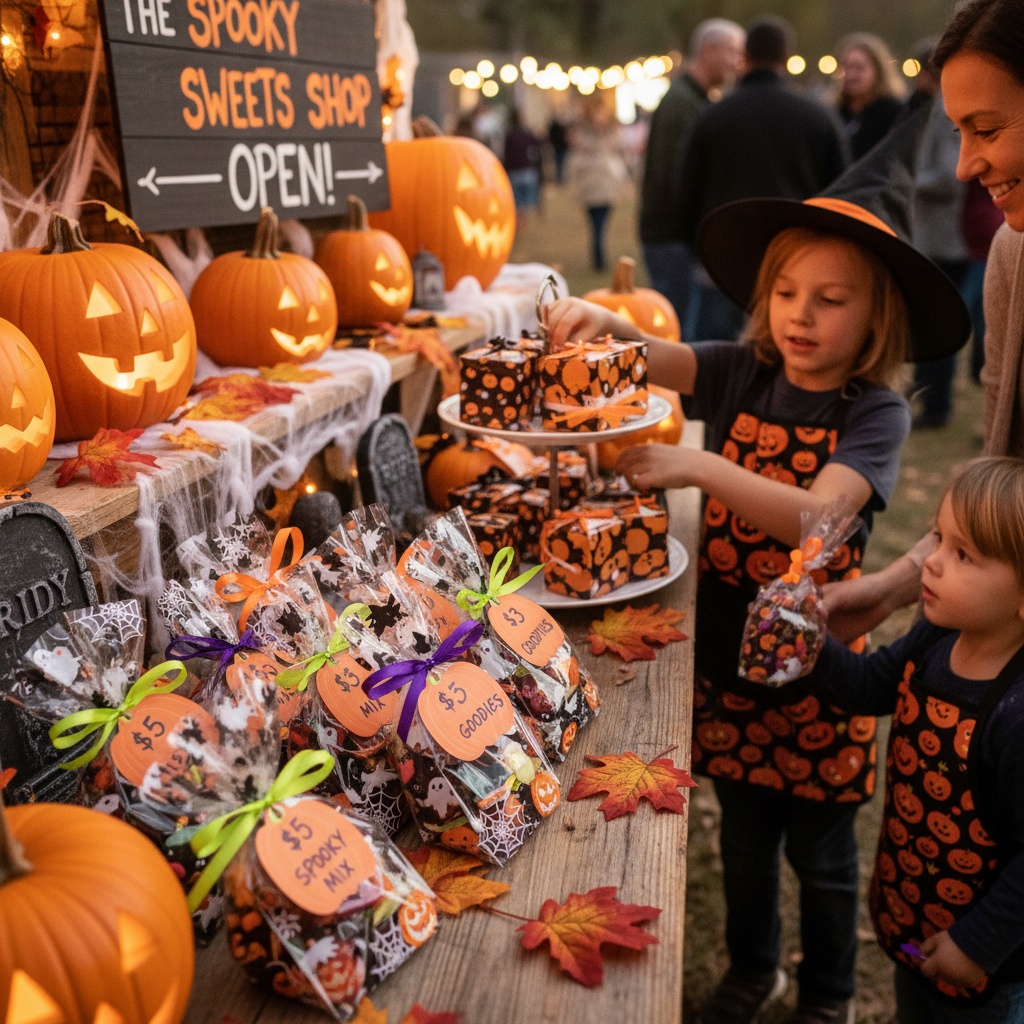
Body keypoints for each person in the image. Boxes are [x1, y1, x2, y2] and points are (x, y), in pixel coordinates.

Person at [546, 119, 969, 1024]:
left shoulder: (876, 414)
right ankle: (752, 971)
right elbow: (652, 356)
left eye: (830, 299)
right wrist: (606, 323)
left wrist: (701, 468)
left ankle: (825, 993)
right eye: (786, 292)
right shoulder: (742, 370)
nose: (801, 315)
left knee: (820, 855)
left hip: (818, 673)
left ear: (877, 315)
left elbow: (821, 512)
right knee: (742, 842)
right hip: (729, 676)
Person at [823, 0, 1024, 644]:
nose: (965, 165)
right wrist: (895, 585)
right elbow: (1002, 481)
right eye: (958, 132)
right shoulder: (1012, 258)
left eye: (987, 130)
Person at [807, 456, 1024, 1022]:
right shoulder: (938, 633)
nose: (929, 562)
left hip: (985, 963)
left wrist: (978, 945)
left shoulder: (1016, 715)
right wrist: (808, 640)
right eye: (938, 538)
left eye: (963, 554)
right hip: (913, 907)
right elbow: (873, 685)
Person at [676, 15, 848, 342]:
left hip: (723, 253)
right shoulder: (817, 117)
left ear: (745, 56)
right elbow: (841, 191)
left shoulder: (713, 116)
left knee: (718, 356)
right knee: (784, 346)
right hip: (795, 255)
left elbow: (685, 191)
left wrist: (699, 243)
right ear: (786, 57)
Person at [638, 17, 745, 338]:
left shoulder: (695, 99)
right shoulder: (682, 104)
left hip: (679, 238)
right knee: (681, 335)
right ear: (709, 50)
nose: (737, 63)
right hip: (674, 239)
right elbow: (675, 178)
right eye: (732, 52)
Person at [908, 39, 970, 429]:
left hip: (944, 235)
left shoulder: (947, 108)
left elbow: (951, 176)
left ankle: (937, 406)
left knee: (940, 321)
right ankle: (928, 396)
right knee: (928, 320)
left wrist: (907, 180)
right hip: (932, 232)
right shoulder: (932, 106)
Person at [566, 99, 629, 272]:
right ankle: (599, 256)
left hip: (606, 189)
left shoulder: (610, 137)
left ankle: (599, 256)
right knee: (596, 225)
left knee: (600, 225)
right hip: (591, 190)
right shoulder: (584, 139)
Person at [834, 33, 907, 160]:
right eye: (846, 67)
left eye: (859, 67)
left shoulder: (894, 113)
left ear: (878, 70)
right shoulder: (834, 111)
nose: (851, 74)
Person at [503, 107, 543, 226]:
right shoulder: (527, 134)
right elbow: (536, 150)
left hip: (516, 170)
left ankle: (520, 219)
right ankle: (521, 219)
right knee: (522, 198)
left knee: (517, 198)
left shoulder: (510, 135)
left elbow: (506, 154)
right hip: (525, 169)